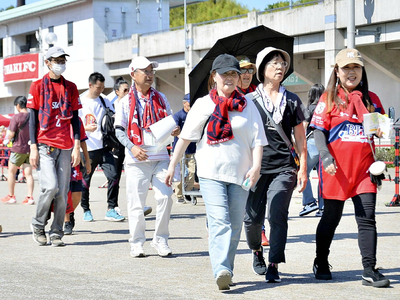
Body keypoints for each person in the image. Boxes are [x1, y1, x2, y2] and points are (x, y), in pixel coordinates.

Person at [166, 54, 267, 291]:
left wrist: (256, 167)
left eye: (234, 73)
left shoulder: (248, 104)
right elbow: (185, 137)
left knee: (234, 225)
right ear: (214, 77)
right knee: (220, 221)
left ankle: (227, 269)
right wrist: (172, 165)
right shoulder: (204, 104)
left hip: (240, 174)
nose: (230, 78)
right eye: (225, 74)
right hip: (211, 172)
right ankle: (220, 268)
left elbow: (258, 139)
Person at [310, 48, 390, 287]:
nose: (351, 72)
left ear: (362, 70)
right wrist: (325, 156)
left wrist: (383, 164)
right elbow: (318, 132)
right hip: (336, 172)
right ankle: (321, 261)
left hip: (365, 172)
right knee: (330, 219)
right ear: (337, 71)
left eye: (356, 67)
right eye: (346, 68)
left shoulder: (372, 99)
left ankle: (369, 269)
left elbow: (382, 134)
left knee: (367, 219)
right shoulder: (328, 98)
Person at [243, 47, 308, 283]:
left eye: (282, 63)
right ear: (262, 70)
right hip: (255, 168)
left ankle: (274, 263)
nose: (280, 67)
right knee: (251, 220)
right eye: (274, 64)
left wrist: (302, 168)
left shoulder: (292, 99)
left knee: (277, 215)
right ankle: (256, 251)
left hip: (284, 167)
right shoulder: (249, 101)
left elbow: (300, 138)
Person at [114, 56, 180, 258]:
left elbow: (169, 121)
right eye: (146, 71)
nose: (150, 75)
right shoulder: (124, 102)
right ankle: (136, 242)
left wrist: (174, 131)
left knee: (165, 197)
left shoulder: (161, 98)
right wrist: (132, 147)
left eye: (152, 71)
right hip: (137, 159)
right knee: (136, 203)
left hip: (160, 155)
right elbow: (119, 131)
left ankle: (160, 240)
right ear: (133, 74)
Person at [28, 46, 81, 247]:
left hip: (66, 145)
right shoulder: (37, 86)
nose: (60, 63)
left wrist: (77, 145)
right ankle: (38, 224)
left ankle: (57, 232)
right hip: (44, 144)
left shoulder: (71, 87)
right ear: (47, 62)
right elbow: (32, 117)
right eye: (56, 60)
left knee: (62, 191)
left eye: (62, 59)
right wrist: (33, 147)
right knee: (50, 187)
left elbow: (75, 118)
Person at [79, 72, 125, 222]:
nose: (101, 90)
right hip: (87, 148)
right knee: (85, 181)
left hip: (105, 147)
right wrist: (85, 128)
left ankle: (111, 208)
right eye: (98, 87)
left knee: (114, 177)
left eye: (103, 87)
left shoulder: (105, 100)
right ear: (90, 85)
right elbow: (73, 125)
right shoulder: (80, 102)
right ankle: (86, 209)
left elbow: (113, 118)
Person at [236, 55, 270, 247]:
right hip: (237, 151)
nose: (247, 74)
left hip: (256, 150)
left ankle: (260, 230)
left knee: (257, 194)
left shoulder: (258, 93)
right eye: (243, 70)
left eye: (250, 70)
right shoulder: (228, 94)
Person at [112, 76, 152, 216]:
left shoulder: (135, 103)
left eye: (129, 89)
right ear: (117, 91)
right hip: (118, 146)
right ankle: (113, 207)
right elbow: (117, 129)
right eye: (125, 90)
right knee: (115, 178)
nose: (128, 91)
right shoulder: (116, 105)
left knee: (138, 178)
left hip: (134, 145)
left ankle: (141, 204)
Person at [1, 96, 34, 205]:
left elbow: (11, 133)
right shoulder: (32, 116)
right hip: (30, 149)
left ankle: (11, 196)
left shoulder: (16, 117)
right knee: (29, 174)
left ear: (18, 105)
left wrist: (6, 141)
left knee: (11, 171)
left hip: (18, 148)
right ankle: (30, 197)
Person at [299, 84, 325, 217]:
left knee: (303, 174)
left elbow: (303, 128)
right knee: (323, 178)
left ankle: (309, 202)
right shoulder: (327, 108)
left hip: (312, 144)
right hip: (325, 146)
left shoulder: (309, 108)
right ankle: (323, 207)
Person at [64, 117, 91, 235]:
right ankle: (66, 222)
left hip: (75, 159)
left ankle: (70, 212)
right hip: (60, 157)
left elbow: (83, 140)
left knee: (77, 194)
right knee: (64, 192)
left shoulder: (77, 120)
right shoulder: (55, 117)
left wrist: (88, 161)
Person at [172, 93, 197, 204]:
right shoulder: (178, 115)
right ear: (184, 103)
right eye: (189, 102)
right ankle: (179, 195)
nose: (191, 105)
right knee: (179, 173)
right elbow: (176, 131)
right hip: (179, 149)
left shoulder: (195, 115)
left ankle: (188, 192)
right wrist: (183, 139)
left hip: (191, 149)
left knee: (192, 172)